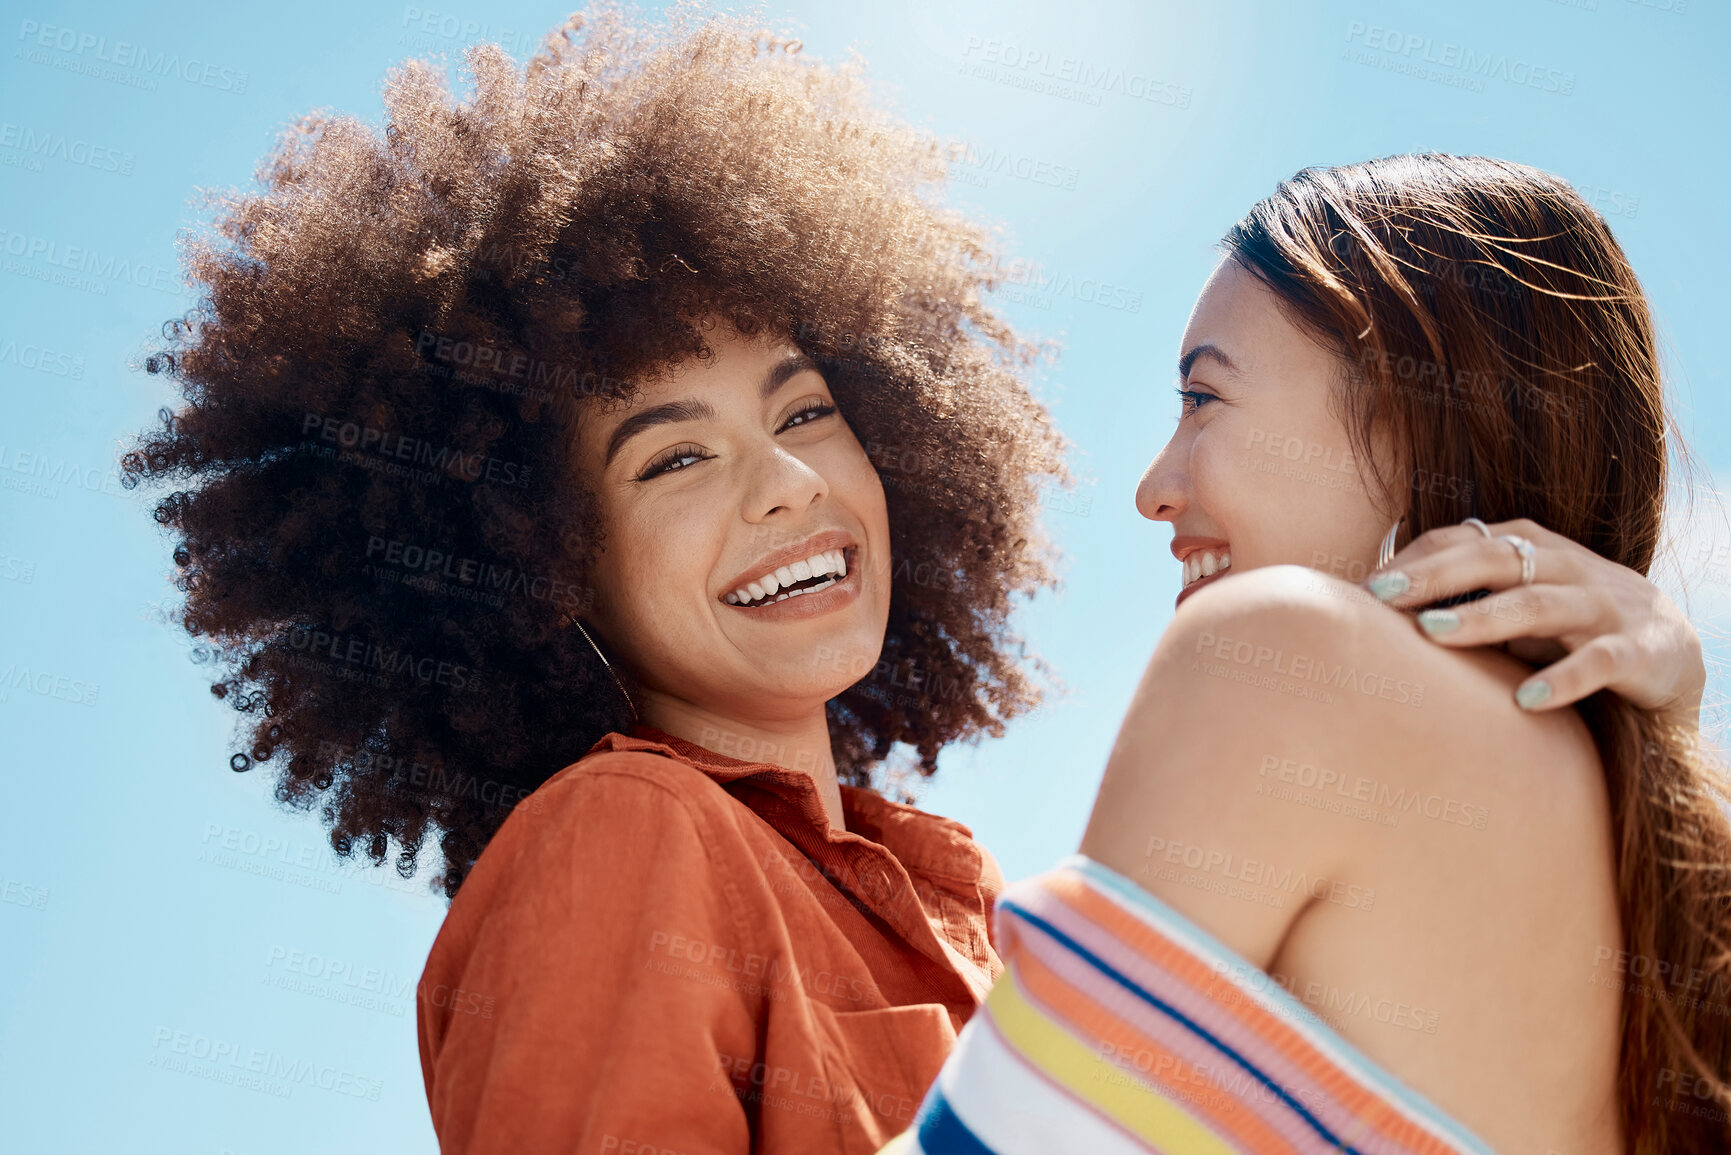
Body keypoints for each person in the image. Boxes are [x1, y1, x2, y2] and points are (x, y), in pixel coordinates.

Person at [119, 9, 1706, 1151]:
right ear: (527, 562)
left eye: (811, 410)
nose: (786, 481)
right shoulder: (620, 836)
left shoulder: (974, 899)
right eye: (669, 456)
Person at [881, 154, 1726, 1155]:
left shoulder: (1287, 657)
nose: (1154, 486)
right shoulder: (1652, 863)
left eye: (1203, 398)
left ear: (1410, 414)